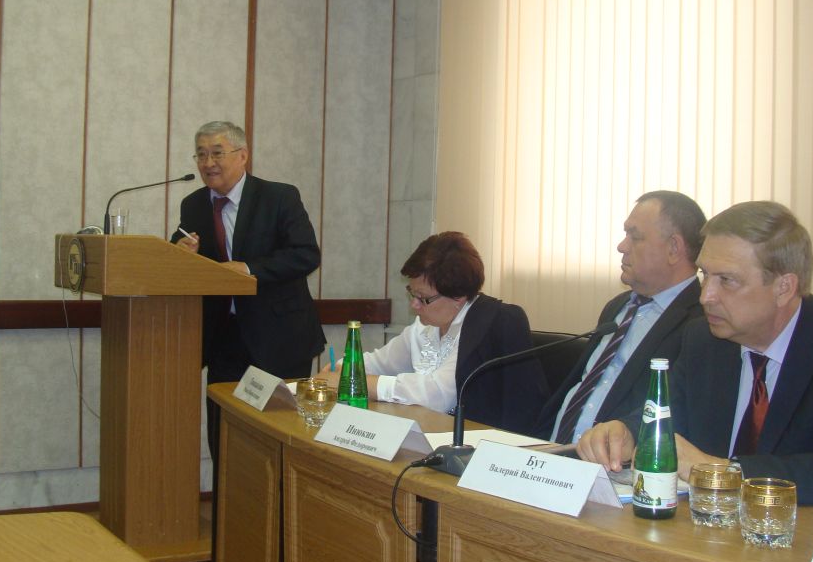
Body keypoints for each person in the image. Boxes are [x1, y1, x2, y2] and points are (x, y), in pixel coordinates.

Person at [577, 201, 813, 508]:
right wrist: (628, 432)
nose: (706, 296)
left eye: (727, 280)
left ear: (784, 288)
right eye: (705, 274)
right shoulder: (704, 339)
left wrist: (723, 473)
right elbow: (673, 412)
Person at [172, 121, 326, 451]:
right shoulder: (194, 205)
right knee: (224, 434)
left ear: (242, 156)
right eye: (201, 155)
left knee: (277, 436)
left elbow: (305, 254)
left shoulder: (279, 197)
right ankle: (225, 488)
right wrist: (180, 252)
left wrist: (248, 268)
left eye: (217, 153)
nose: (208, 163)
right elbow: (181, 252)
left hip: (279, 336)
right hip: (223, 338)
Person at [320, 232, 545, 434]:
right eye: (412, 294)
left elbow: (437, 395)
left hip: (484, 446)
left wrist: (353, 381)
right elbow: (379, 363)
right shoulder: (424, 327)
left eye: (423, 298)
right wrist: (340, 368)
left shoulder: (490, 323)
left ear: (458, 296)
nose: (414, 305)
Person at [534, 191, 707, 442]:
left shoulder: (702, 325)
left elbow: (677, 413)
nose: (621, 246)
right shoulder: (618, 307)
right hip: (551, 451)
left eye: (635, 237)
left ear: (674, 248)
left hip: (615, 460)